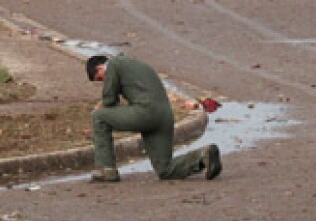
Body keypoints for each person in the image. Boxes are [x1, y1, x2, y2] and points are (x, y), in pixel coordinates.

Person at [85, 54, 221, 183]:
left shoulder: (113, 64)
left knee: (99, 117)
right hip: (164, 116)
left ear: (100, 67)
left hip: (146, 113)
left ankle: (106, 170)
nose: (103, 81)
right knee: (165, 170)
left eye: (100, 78)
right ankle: (203, 156)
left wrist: (98, 107)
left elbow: (109, 100)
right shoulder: (131, 64)